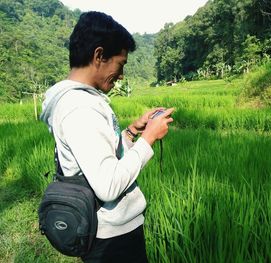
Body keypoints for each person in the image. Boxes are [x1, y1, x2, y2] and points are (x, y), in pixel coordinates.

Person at [40, 11, 174, 262]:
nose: (121, 75)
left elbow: (99, 159)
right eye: (120, 64)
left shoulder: (81, 101)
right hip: (111, 239)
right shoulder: (80, 107)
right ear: (99, 56)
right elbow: (108, 185)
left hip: (109, 231)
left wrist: (133, 132)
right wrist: (149, 139)